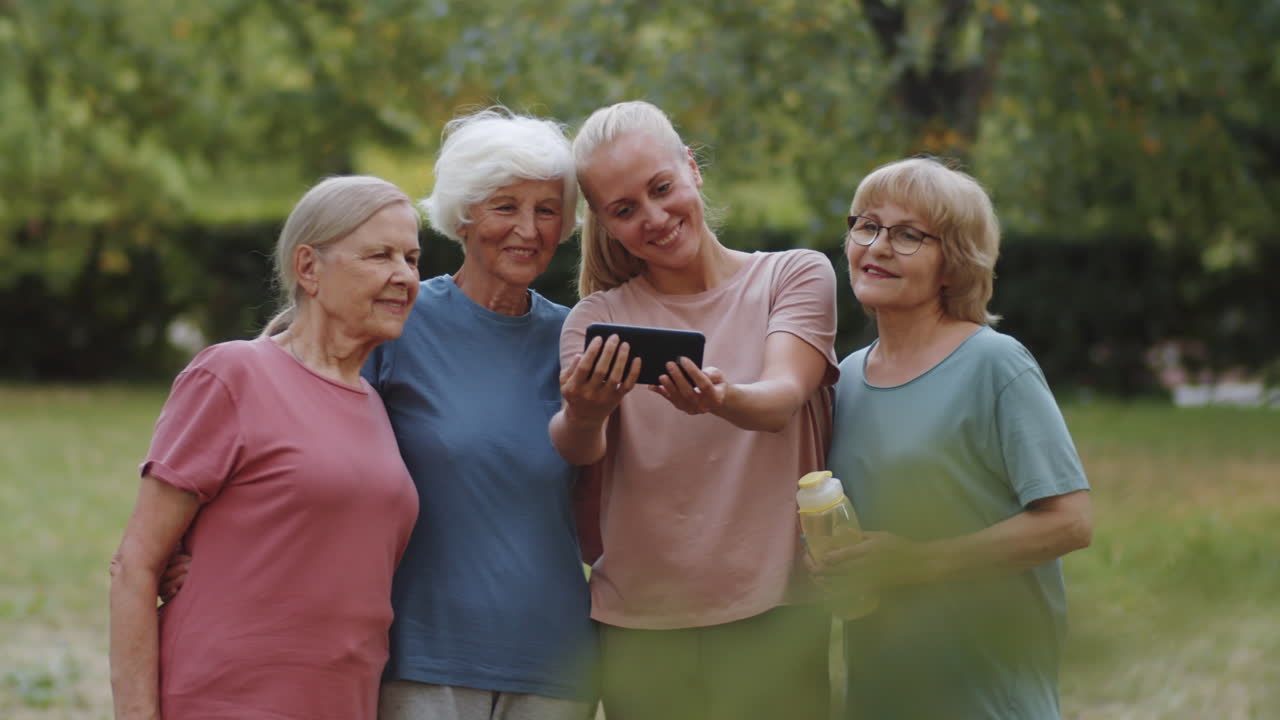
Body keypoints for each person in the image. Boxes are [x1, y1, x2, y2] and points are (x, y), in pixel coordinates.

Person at [548, 100, 840, 720]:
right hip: (641, 629)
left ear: (692, 169)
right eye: (624, 210)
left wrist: (719, 398)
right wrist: (583, 411)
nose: (654, 218)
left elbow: (783, 400)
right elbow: (579, 449)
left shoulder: (793, 277)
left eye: (662, 188)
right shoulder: (598, 320)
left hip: (776, 616)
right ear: (602, 221)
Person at [109, 175, 422, 719]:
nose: (405, 276)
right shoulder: (233, 374)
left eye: (412, 258)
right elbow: (136, 564)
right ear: (308, 269)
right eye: (380, 255)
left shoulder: (375, 404)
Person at [819, 157, 1093, 719]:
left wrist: (919, 562)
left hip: (988, 692)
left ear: (953, 265)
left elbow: (1070, 521)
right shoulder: (841, 378)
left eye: (908, 235)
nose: (877, 246)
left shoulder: (994, 363)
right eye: (866, 226)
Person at [363, 107, 599, 720]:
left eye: (546, 209)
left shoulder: (577, 337)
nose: (528, 228)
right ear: (464, 215)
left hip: (556, 664)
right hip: (424, 656)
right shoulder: (399, 322)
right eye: (505, 206)